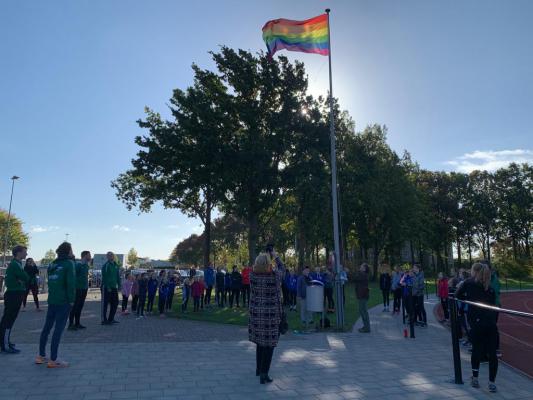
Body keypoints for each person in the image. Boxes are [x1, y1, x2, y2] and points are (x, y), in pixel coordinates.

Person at [456, 263, 499, 393]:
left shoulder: (468, 283)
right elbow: (492, 305)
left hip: (476, 322)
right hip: (490, 323)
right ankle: (491, 382)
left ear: (476, 272)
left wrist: (467, 297)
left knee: (477, 349)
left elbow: (457, 295)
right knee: (492, 353)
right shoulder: (490, 288)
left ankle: (475, 378)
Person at [36, 242, 76, 368]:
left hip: (52, 299)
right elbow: (71, 283)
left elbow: (52, 281)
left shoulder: (52, 263)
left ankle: (41, 356)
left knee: (46, 328)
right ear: (68, 250)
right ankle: (53, 359)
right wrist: (72, 300)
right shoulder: (69, 264)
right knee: (58, 330)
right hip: (63, 301)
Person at [249, 249, 284, 384]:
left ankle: (259, 369)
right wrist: (276, 256)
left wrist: (261, 259)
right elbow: (282, 269)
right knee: (269, 345)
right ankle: (264, 374)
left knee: (260, 343)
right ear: (269, 265)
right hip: (270, 316)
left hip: (257, 315)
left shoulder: (253, 276)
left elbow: (256, 267)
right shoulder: (274, 277)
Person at [0, 245, 29, 354]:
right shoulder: (15, 265)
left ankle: (4, 341)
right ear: (18, 253)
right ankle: (5, 344)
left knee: (8, 319)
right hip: (14, 294)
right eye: (24, 252)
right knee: (9, 320)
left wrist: (21, 279)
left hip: (14, 294)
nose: (26, 254)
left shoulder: (16, 264)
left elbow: (23, 278)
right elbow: (25, 277)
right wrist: (21, 280)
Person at [68, 250, 91, 330]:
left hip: (84, 288)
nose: (90, 257)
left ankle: (77, 323)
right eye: (89, 255)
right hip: (78, 288)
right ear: (84, 256)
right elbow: (73, 276)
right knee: (75, 306)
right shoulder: (78, 264)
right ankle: (70, 324)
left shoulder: (86, 265)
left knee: (80, 306)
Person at [354, 263, 370, 333]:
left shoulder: (363, 275)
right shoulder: (362, 274)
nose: (360, 267)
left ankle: (367, 328)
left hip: (362, 295)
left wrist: (358, 272)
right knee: (363, 311)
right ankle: (366, 326)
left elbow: (356, 278)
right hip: (362, 294)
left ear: (364, 269)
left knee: (363, 311)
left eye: (361, 267)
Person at [400, 268, 416, 338]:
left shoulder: (413, 278)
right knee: (406, 306)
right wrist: (404, 276)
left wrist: (405, 283)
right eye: (409, 272)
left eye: (411, 272)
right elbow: (401, 282)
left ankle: (412, 318)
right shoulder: (406, 277)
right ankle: (409, 316)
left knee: (411, 307)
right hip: (405, 294)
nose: (410, 273)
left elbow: (411, 284)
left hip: (411, 295)